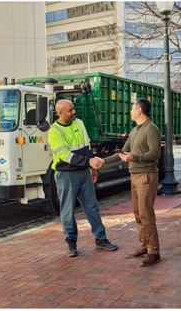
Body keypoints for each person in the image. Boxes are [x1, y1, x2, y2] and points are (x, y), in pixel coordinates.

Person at [47, 99, 118, 257]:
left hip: (84, 172)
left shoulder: (79, 123)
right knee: (67, 210)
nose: (74, 112)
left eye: (73, 109)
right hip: (66, 175)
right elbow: (66, 155)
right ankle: (71, 242)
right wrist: (89, 162)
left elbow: (87, 146)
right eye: (70, 110)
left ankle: (101, 239)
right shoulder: (54, 131)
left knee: (92, 207)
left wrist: (91, 167)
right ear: (60, 113)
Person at [104, 98, 162, 267]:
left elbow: (155, 153)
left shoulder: (151, 129)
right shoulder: (135, 130)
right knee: (138, 213)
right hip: (135, 175)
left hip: (146, 176)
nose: (130, 111)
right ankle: (143, 246)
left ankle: (154, 252)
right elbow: (123, 152)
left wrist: (134, 157)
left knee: (146, 214)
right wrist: (103, 161)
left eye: (132, 108)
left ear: (139, 110)